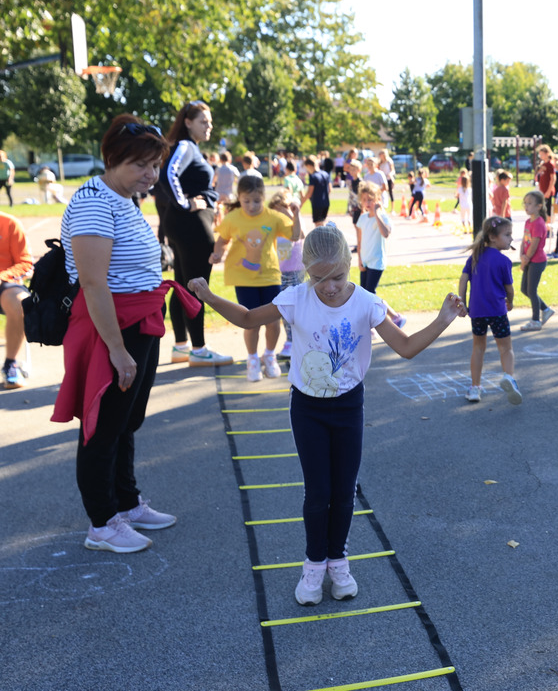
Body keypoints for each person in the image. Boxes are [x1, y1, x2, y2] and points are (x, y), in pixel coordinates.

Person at [188, 225, 465, 603]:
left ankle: (338, 561)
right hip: (308, 409)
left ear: (350, 264)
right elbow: (250, 318)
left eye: (337, 276)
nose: (329, 287)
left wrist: (443, 318)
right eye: (319, 278)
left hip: (349, 407)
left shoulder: (366, 302)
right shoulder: (297, 298)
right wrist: (209, 296)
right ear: (306, 271)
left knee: (344, 491)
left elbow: (405, 347)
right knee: (318, 492)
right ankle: (314, 565)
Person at [54, 115, 200, 553]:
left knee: (126, 421)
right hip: (111, 329)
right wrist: (117, 350)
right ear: (113, 159)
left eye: (155, 165)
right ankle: (102, 523)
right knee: (102, 427)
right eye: (140, 165)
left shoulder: (122, 198)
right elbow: (93, 283)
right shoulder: (93, 202)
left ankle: (127, 502)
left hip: (140, 322)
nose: (151, 175)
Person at [157, 100, 232, 367]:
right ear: (188, 122)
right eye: (203, 121)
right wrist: (184, 203)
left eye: (210, 122)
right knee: (198, 287)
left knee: (183, 285)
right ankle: (199, 349)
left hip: (183, 224)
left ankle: (182, 346)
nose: (208, 126)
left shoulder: (191, 147)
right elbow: (167, 174)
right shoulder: (186, 146)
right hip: (191, 224)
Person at [212, 174, 301, 382]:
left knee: (273, 321)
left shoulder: (273, 217)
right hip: (244, 279)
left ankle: (269, 355)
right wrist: (217, 253)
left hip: (269, 277)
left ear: (263, 197)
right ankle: (252, 359)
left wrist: (295, 215)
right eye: (246, 201)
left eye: (257, 201)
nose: (252, 206)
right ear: (239, 198)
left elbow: (295, 235)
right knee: (250, 322)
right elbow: (222, 240)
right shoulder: (233, 218)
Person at [459, 216, 522, 405]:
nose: (511, 238)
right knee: (506, 348)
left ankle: (475, 387)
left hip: (477, 312)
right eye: (507, 235)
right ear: (493, 237)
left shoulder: (475, 257)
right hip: (497, 311)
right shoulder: (503, 261)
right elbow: (509, 288)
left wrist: (462, 302)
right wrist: (510, 301)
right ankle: (508, 377)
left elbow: (463, 280)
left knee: (478, 348)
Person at [270, 190, 305, 361]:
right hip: (280, 273)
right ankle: (290, 340)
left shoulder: (294, 225)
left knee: (295, 307)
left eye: (283, 210)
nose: (280, 214)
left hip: (295, 271)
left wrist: (294, 215)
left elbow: (301, 235)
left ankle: (295, 341)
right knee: (284, 307)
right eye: (276, 211)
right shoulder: (274, 228)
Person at [0, 210, 32, 387]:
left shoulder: (9, 223)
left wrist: (2, 277)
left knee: (20, 302)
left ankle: (10, 363)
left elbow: (25, 263)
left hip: (4, 283)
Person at [518, 191, 553, 332]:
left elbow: (534, 245)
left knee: (531, 290)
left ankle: (535, 320)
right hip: (529, 260)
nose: (526, 206)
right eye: (525, 203)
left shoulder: (539, 223)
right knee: (524, 289)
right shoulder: (528, 222)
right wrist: (521, 255)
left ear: (539, 206)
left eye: (529, 203)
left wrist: (525, 260)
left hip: (537, 261)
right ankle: (546, 310)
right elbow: (524, 240)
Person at [355, 181, 391, 295]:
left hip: (376, 261)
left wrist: (377, 214)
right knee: (363, 292)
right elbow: (359, 241)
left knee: (370, 292)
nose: (367, 203)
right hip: (365, 260)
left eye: (370, 199)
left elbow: (386, 233)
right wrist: (360, 260)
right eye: (364, 200)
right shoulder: (362, 218)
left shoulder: (382, 217)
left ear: (377, 199)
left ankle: (379, 307)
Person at [301, 157, 332, 226]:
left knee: (318, 224)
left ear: (309, 166)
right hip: (326, 202)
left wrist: (302, 202)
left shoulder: (313, 176)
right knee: (321, 222)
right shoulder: (325, 174)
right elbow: (330, 189)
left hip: (317, 203)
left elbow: (309, 193)